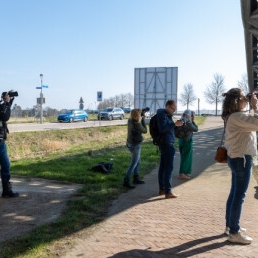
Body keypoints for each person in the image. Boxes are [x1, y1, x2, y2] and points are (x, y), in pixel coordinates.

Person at [222, 88, 258, 244]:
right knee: (239, 195)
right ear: (237, 101)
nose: (246, 99)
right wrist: (255, 107)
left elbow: (250, 122)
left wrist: (251, 106)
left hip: (237, 157)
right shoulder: (237, 116)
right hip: (242, 158)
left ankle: (231, 226)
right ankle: (234, 233)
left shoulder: (235, 116)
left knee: (234, 193)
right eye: (244, 97)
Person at [156, 100, 184, 199]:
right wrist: (174, 125)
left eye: (175, 109)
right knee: (168, 168)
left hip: (166, 143)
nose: (174, 111)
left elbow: (169, 128)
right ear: (167, 106)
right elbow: (163, 128)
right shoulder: (162, 114)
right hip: (166, 144)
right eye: (173, 108)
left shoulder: (166, 115)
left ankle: (162, 189)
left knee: (163, 167)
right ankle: (168, 192)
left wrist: (178, 126)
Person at [0, 91, 19, 197]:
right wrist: (7, 102)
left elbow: (4, 111)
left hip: (1, 141)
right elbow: (5, 116)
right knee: (5, 165)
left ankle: (6, 190)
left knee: (5, 165)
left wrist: (9, 101)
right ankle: (6, 190)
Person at [123, 108, 147, 189]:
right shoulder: (137, 124)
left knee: (138, 161)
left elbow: (135, 117)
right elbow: (145, 130)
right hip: (135, 145)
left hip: (129, 143)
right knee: (134, 163)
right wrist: (143, 120)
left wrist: (140, 115)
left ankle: (136, 177)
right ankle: (126, 180)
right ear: (137, 116)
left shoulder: (130, 121)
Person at [177, 109, 198, 180]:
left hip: (181, 141)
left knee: (184, 157)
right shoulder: (188, 122)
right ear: (190, 115)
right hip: (187, 141)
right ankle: (182, 173)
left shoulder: (180, 120)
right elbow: (195, 129)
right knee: (186, 158)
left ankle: (185, 172)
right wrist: (193, 121)